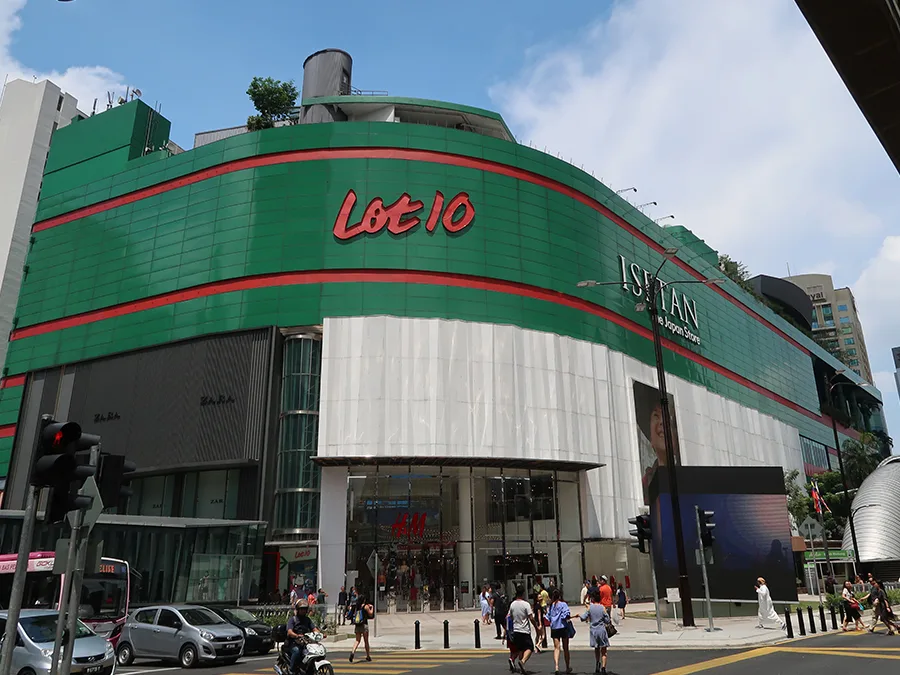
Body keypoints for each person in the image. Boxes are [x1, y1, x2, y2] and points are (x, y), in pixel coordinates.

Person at [509, 585, 539, 675]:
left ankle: (521, 664)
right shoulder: (526, 604)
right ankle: (522, 661)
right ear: (523, 593)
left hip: (516, 630)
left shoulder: (512, 604)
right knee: (530, 648)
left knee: (520, 649)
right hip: (524, 630)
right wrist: (536, 626)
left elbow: (511, 616)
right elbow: (531, 617)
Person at [580, 590, 612, 675]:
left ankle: (597, 663)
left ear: (593, 599)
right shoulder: (602, 607)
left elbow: (583, 618)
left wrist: (579, 615)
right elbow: (607, 620)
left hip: (593, 631)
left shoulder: (590, 608)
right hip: (601, 630)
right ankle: (603, 668)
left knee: (596, 648)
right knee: (604, 650)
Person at [286, 601, 320, 673]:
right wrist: (296, 635)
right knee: (297, 651)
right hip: (293, 642)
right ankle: (292, 670)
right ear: (298, 609)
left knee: (314, 651)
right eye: (301, 609)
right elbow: (289, 631)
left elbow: (314, 629)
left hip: (305, 641)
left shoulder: (307, 620)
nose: (303, 611)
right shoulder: (293, 619)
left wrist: (319, 634)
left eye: (305, 609)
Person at [547, 588, 572, 675]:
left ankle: (556, 666)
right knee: (565, 648)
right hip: (563, 627)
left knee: (556, 648)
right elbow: (566, 614)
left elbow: (548, 617)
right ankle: (567, 667)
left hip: (554, 628)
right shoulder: (563, 604)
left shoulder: (551, 606)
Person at [349, 594, 374, 663]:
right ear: (364, 600)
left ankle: (353, 652)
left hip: (357, 625)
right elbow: (371, 614)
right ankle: (368, 656)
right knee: (366, 641)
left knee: (357, 640)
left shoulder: (356, 607)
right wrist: (372, 607)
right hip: (364, 625)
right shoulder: (365, 606)